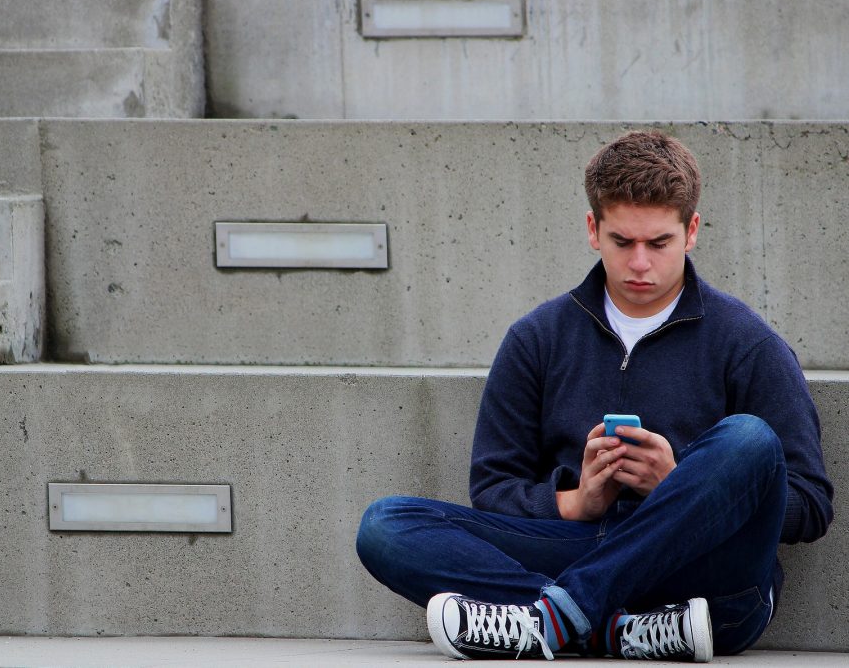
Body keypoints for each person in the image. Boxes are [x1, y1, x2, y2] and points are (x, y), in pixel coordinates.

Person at [355, 130, 834, 661]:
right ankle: (607, 628)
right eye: (622, 242)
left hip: (703, 577)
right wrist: (577, 501)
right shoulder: (537, 337)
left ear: (691, 230)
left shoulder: (747, 342)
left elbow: (809, 506)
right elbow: (493, 487)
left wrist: (678, 488)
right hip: (587, 551)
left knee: (749, 439)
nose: (640, 264)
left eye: (659, 243)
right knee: (386, 526)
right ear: (593, 229)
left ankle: (557, 617)